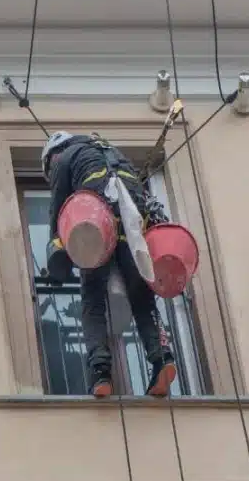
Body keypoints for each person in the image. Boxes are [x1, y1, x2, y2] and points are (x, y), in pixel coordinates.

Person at [41, 131, 177, 399]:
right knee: (141, 296)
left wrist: (58, 251)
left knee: (92, 300)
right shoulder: (114, 155)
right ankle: (162, 357)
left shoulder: (64, 158)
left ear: (52, 155)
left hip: (96, 225)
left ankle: (100, 371)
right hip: (133, 226)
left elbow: (59, 209)